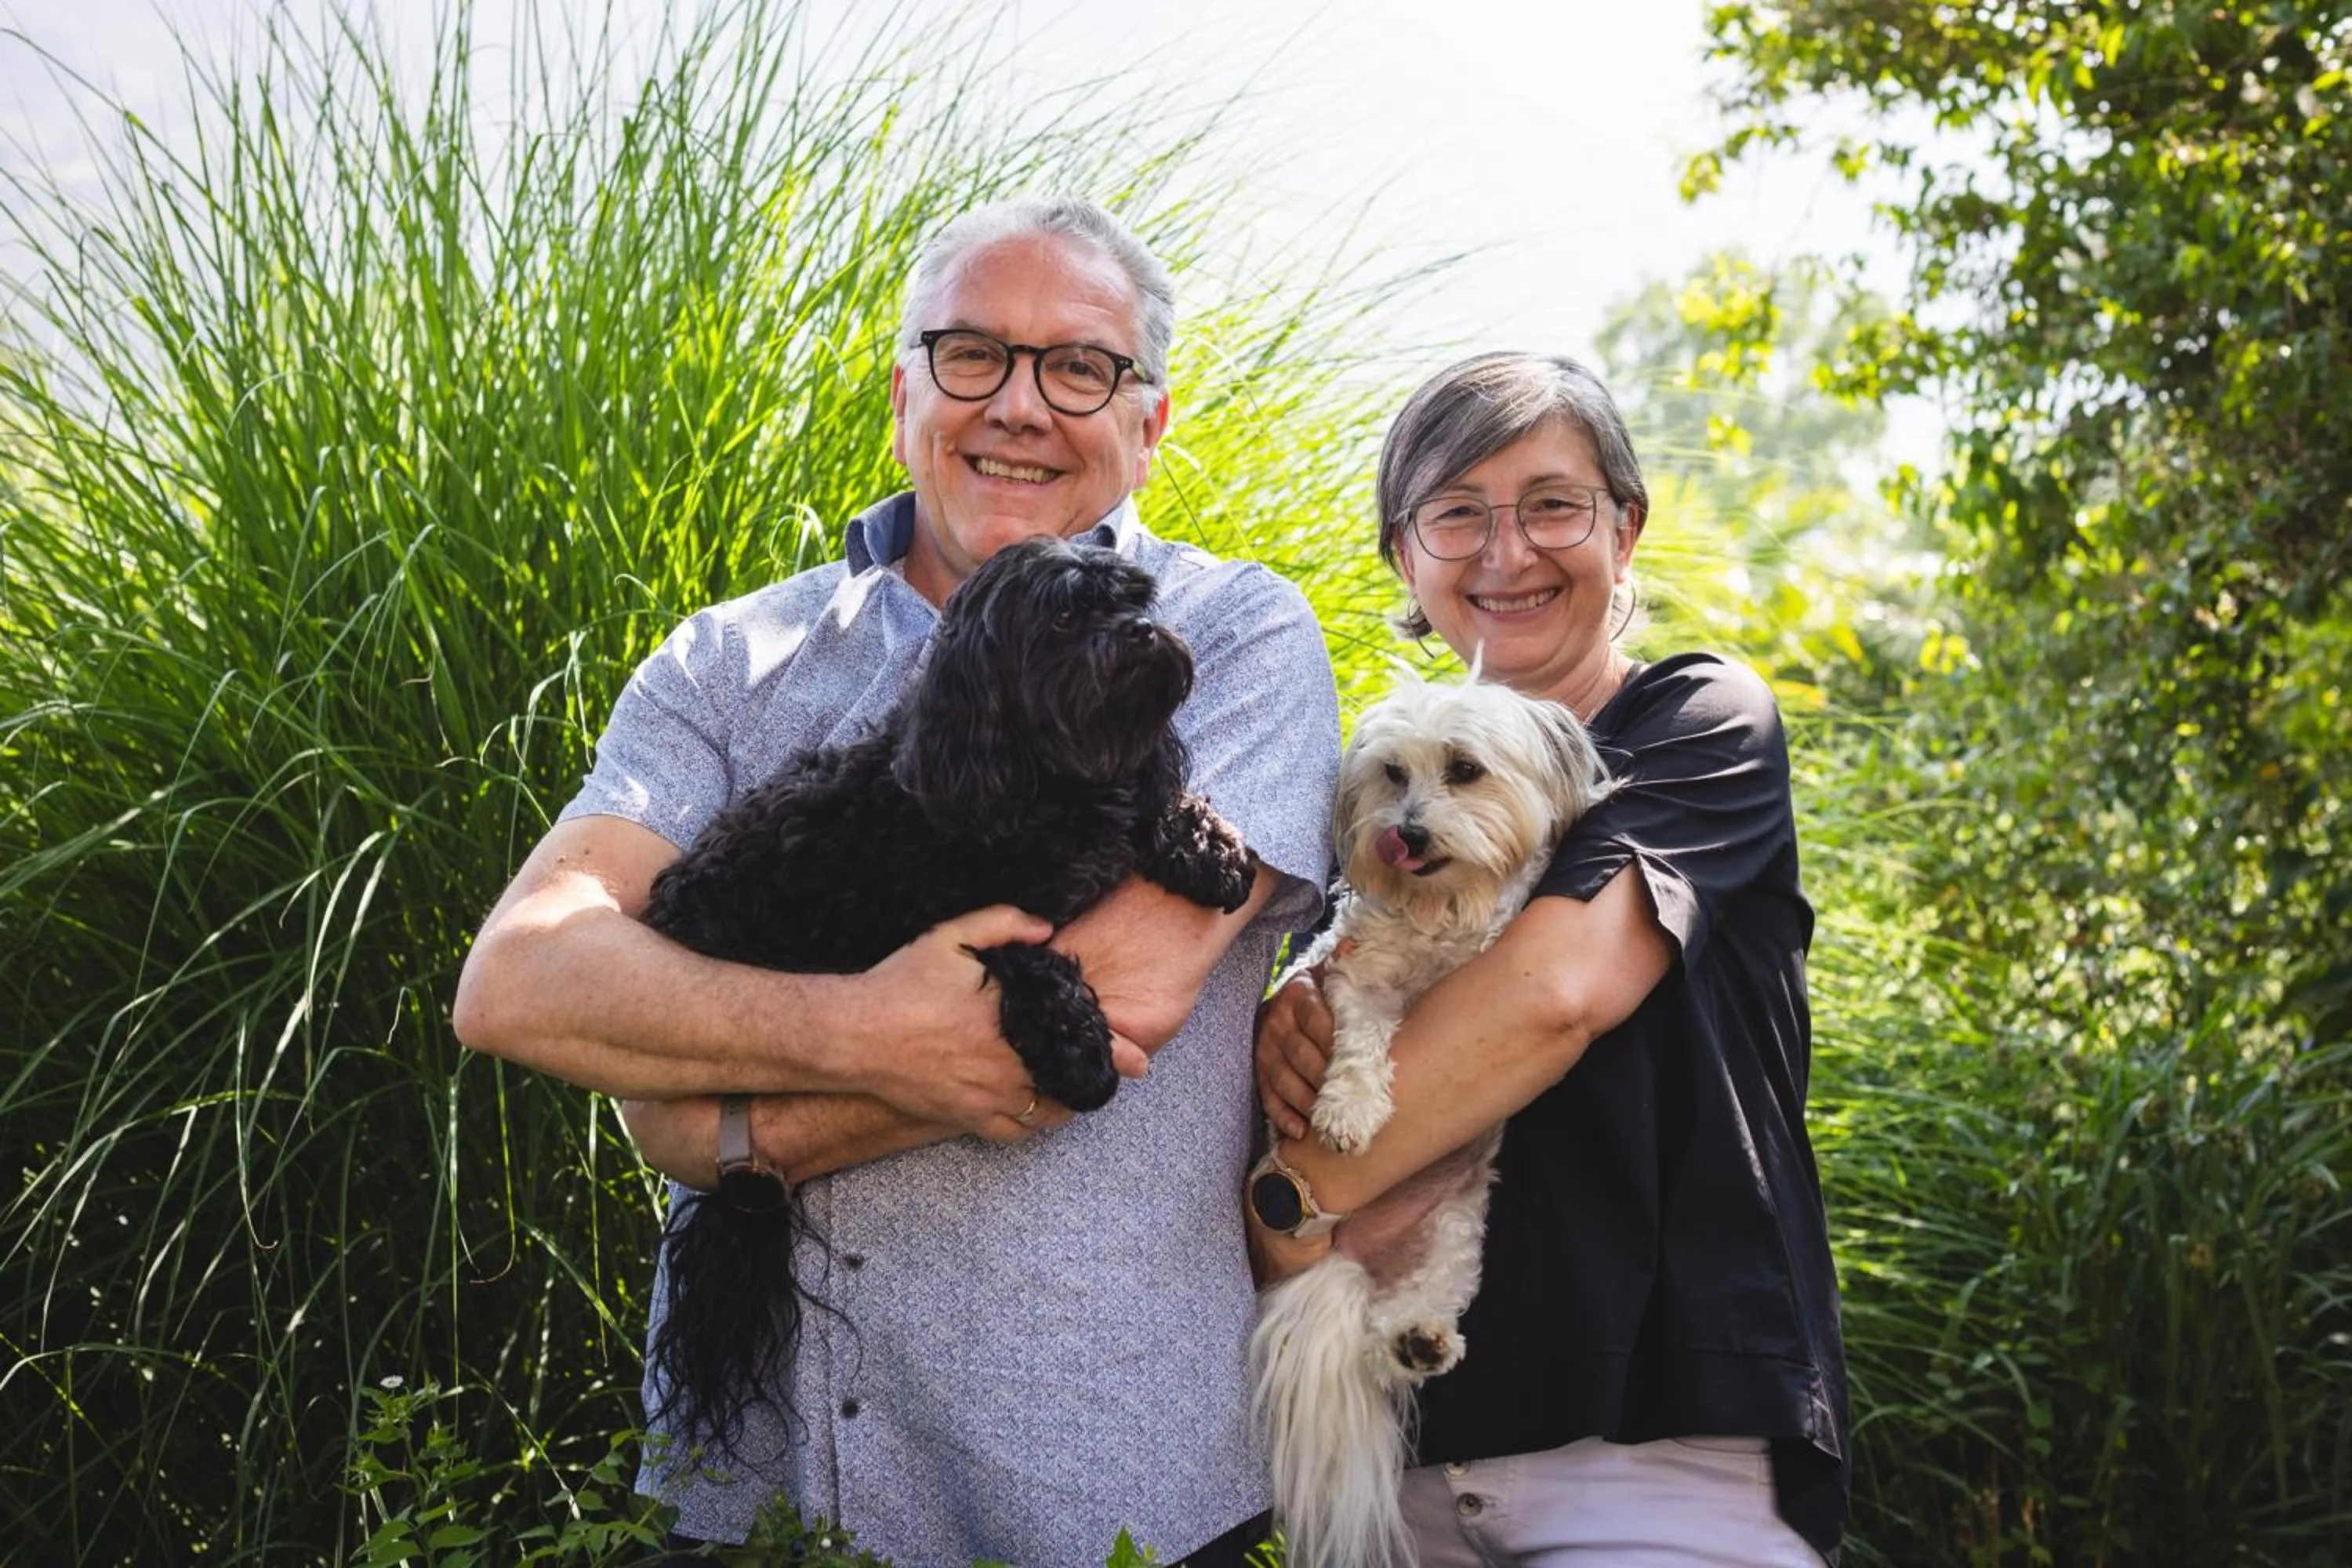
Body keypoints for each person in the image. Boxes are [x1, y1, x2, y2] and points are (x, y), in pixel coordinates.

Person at [453, 197, 1340, 1566]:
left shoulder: (1228, 637)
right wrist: (859, 1031)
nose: (1021, 407)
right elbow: (522, 977)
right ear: (905, 393)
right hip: (747, 1486)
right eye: (973, 353)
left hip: (1094, 1484)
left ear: (1151, 418)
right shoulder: (726, 661)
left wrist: (724, 1132)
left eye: (1081, 366)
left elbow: (1110, 1011)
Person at [1248, 351, 1849, 1566]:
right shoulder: (1377, 797)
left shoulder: (1695, 723)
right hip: (1402, 1464)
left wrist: (1296, 1204)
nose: (1505, 552)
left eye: (1552, 505)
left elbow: (1553, 995)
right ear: (1402, 559)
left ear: (1626, 528)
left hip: (1653, 1457)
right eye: (1456, 513)